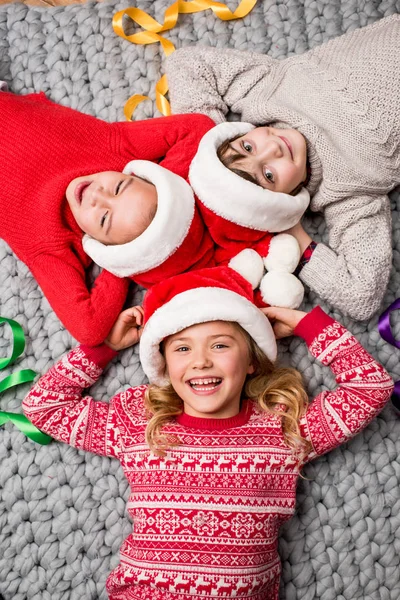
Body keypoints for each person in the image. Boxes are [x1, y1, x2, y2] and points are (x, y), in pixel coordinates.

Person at [22, 266, 394, 599]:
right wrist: (104, 348)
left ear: (250, 362)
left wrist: (308, 325)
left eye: (219, 345)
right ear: (165, 367)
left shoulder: (283, 431)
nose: (200, 360)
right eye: (182, 348)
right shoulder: (139, 423)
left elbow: (370, 388)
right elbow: (44, 406)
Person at [165, 14, 400, 320]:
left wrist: (204, 140)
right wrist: (297, 236)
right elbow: (361, 297)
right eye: (269, 175)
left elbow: (188, 64)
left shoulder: (263, 93)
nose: (272, 148)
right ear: (285, 200)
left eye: (247, 147)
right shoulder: (348, 194)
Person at [0, 89, 215, 345]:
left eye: (103, 219)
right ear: (138, 174)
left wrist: (120, 265)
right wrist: (170, 187)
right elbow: (197, 127)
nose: (97, 195)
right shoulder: (116, 149)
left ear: (104, 247)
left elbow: (89, 329)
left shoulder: (51, 245)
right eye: (118, 188)